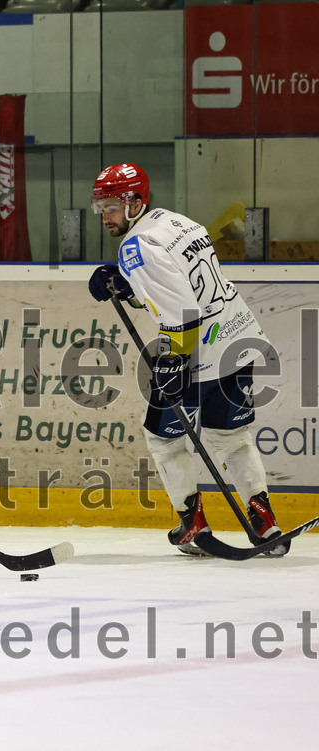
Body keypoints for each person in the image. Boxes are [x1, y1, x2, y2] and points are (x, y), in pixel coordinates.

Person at [87, 163, 286, 556]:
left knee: (163, 440)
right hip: (238, 337)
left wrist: (174, 363)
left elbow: (181, 312)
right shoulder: (177, 222)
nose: (104, 214)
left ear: (135, 202)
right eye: (100, 206)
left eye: (111, 205)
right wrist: (130, 282)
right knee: (231, 437)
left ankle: (191, 523)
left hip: (199, 353)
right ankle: (263, 520)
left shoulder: (135, 245)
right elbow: (184, 277)